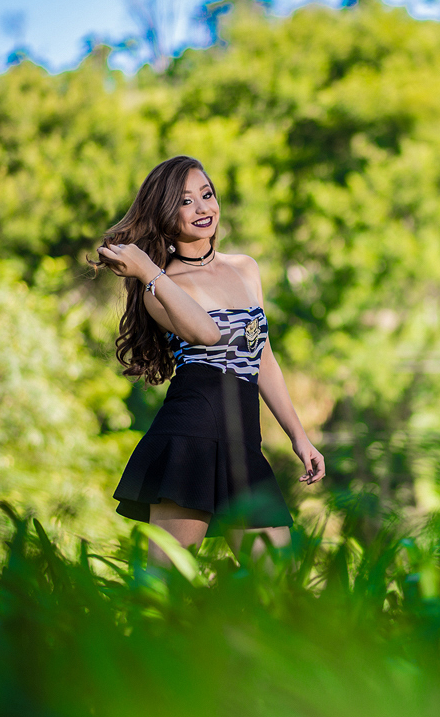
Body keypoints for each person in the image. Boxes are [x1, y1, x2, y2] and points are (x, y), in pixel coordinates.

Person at [94, 155, 325, 566]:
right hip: (190, 439)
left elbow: (262, 357)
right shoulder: (160, 287)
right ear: (166, 214)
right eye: (186, 201)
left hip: (244, 443)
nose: (203, 208)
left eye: (207, 194)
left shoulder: (245, 268)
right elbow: (206, 333)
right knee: (168, 584)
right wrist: (148, 269)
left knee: (280, 584)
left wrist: (298, 436)